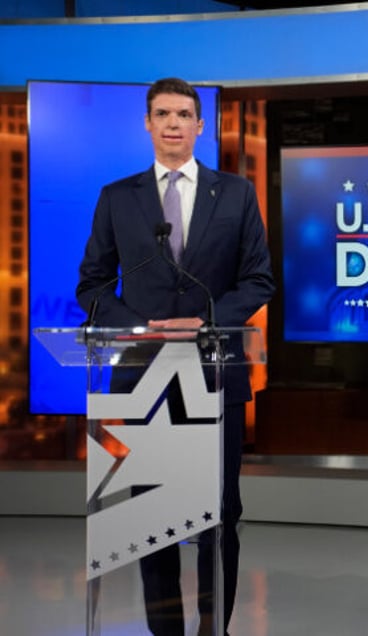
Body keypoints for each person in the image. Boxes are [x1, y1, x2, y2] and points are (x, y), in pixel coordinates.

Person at [76, 77, 275, 635]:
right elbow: (91, 287)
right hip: (145, 376)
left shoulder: (235, 193)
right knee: (154, 517)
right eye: (162, 113)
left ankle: (216, 630)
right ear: (147, 122)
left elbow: (259, 279)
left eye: (183, 114)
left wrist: (205, 322)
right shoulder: (118, 197)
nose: (172, 124)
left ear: (199, 124)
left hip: (216, 373)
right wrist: (141, 328)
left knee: (219, 516)